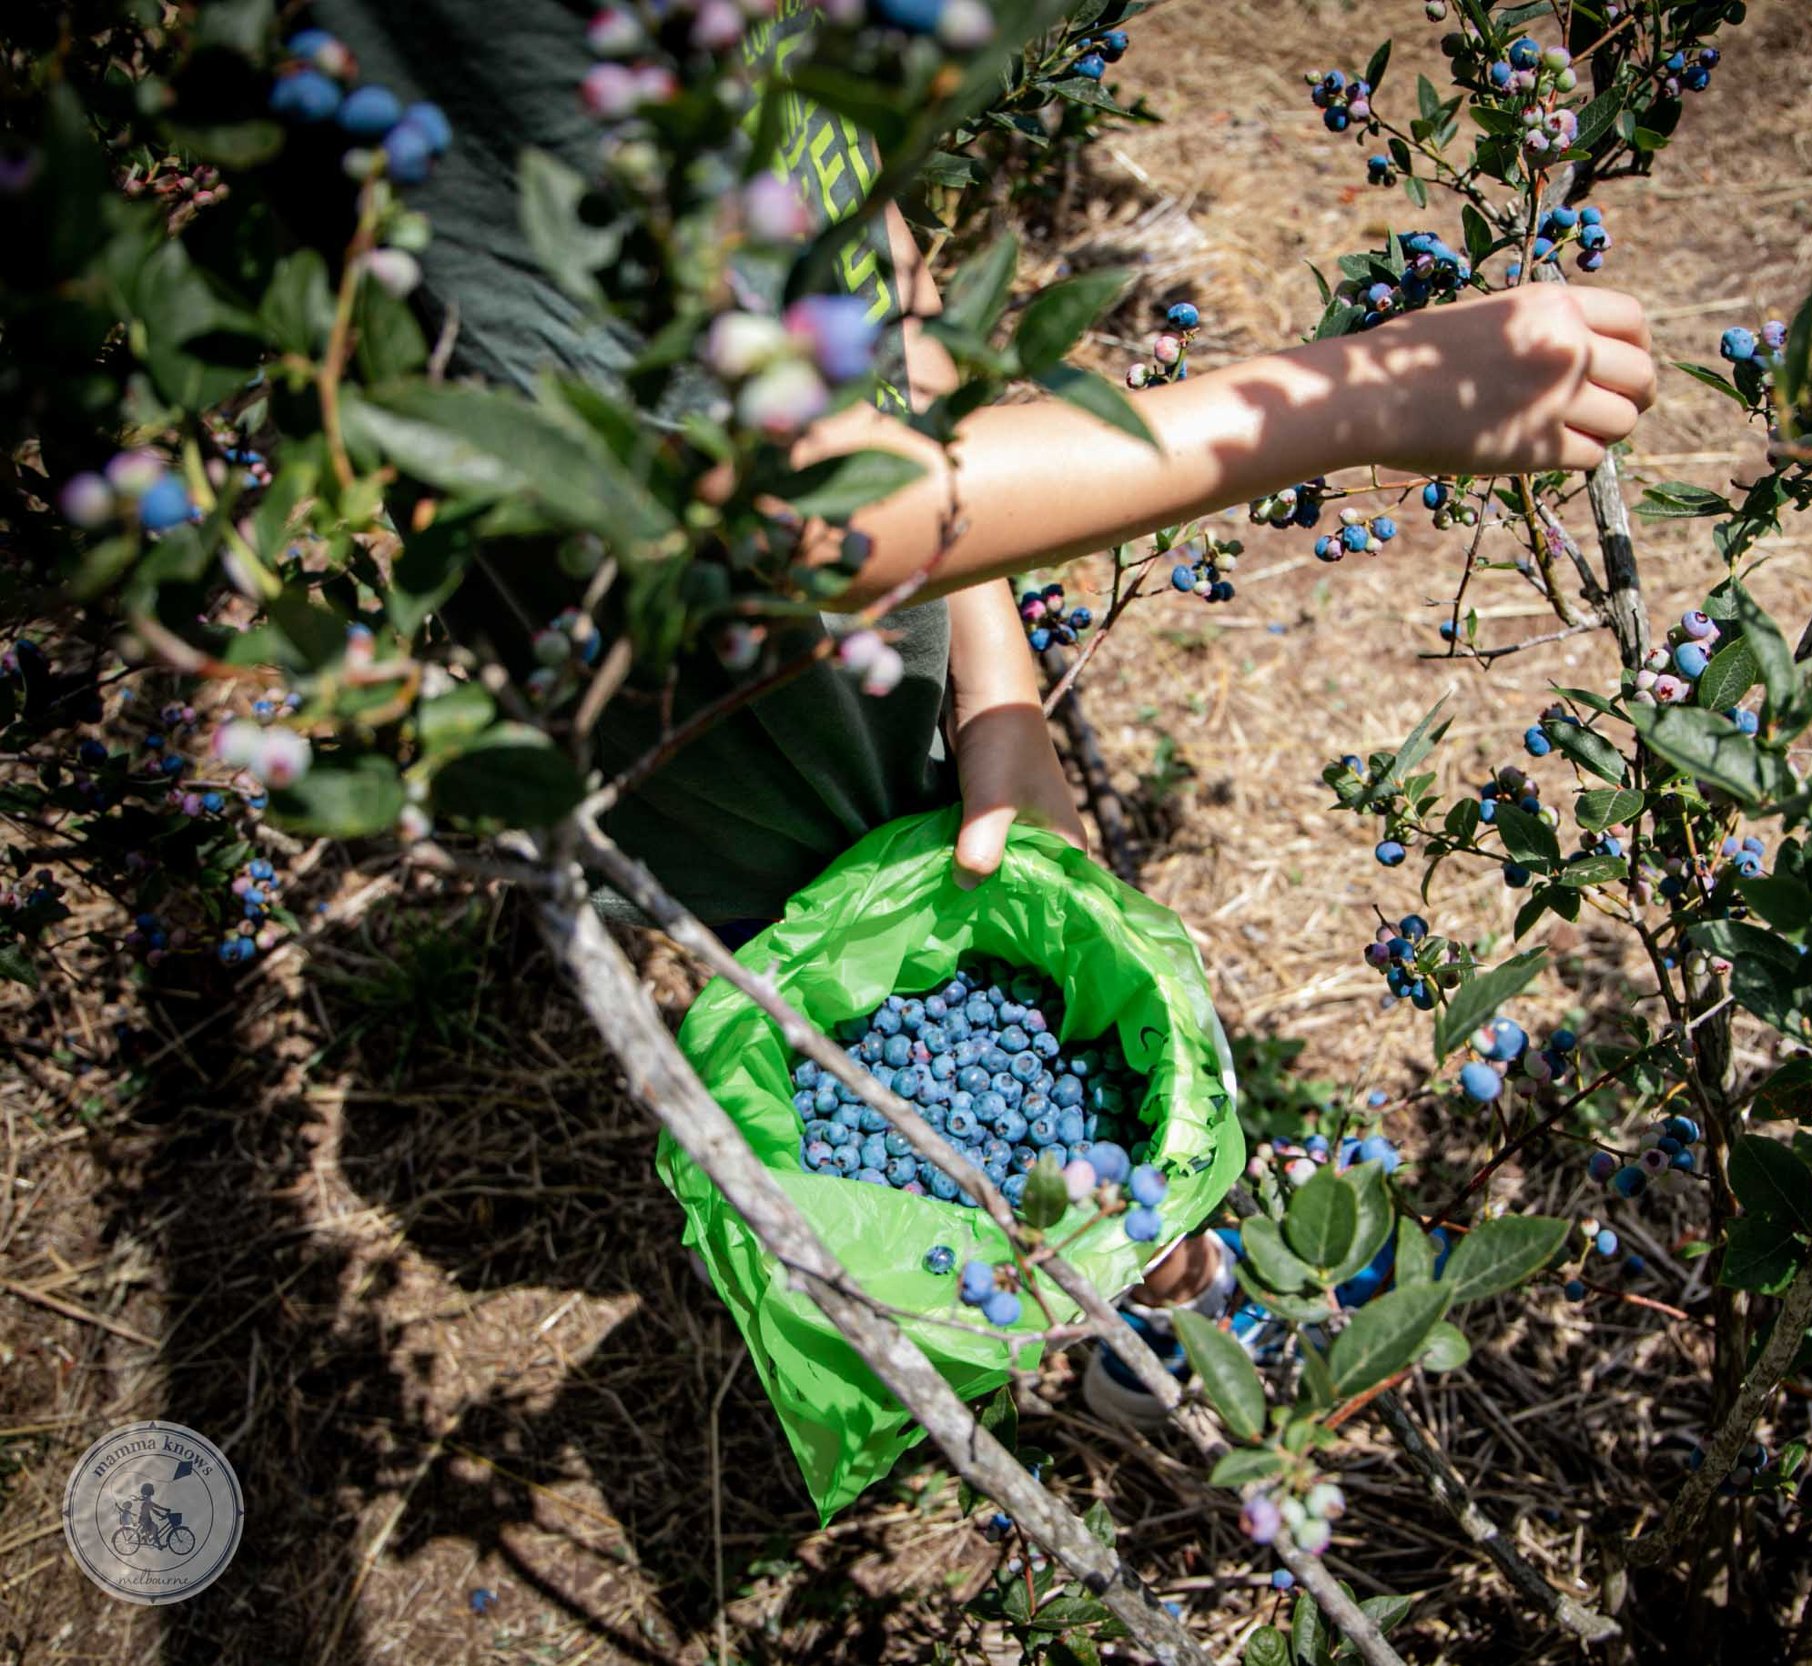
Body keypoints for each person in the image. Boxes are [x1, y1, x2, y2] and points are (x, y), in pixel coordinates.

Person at [305, 4, 1653, 1316]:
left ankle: (1157, 1259)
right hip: (711, 759)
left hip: (885, 679)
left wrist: (998, 685)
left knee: (1024, 1039)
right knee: (960, 1136)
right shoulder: (512, 54)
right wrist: (1363, 396)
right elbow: (793, 516)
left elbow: (874, 276)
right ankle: (1143, 1296)